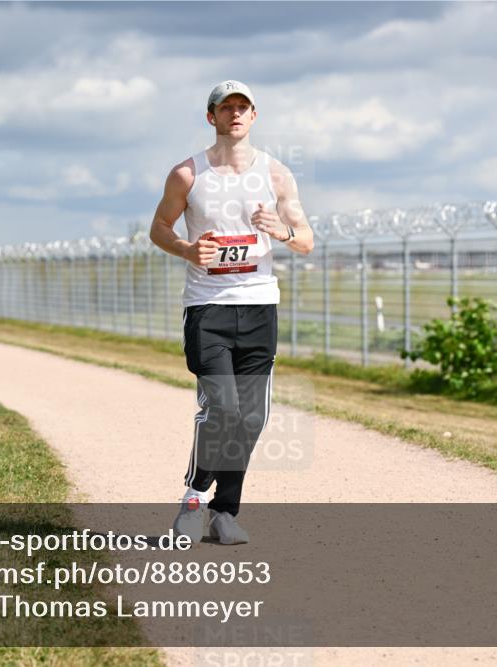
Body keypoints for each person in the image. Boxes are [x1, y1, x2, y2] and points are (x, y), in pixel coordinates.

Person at [149, 80, 313, 544]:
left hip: (260, 305)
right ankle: (194, 499)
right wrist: (186, 249)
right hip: (208, 308)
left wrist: (278, 230)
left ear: (254, 116)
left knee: (252, 418)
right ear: (212, 117)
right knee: (222, 409)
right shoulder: (187, 174)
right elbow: (159, 228)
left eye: (243, 107)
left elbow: (306, 241)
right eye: (226, 108)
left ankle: (225, 513)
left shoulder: (277, 175)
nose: (235, 114)